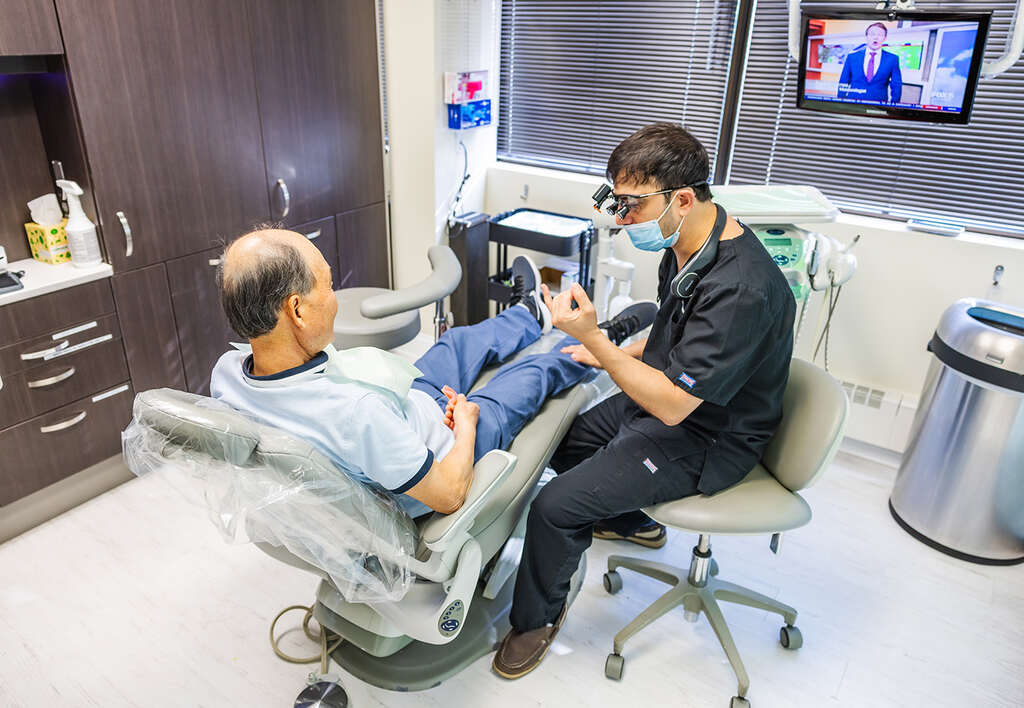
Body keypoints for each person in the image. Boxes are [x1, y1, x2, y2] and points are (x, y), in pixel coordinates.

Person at [492, 123, 796, 679]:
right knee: (569, 441)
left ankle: (535, 622)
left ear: (682, 198)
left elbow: (677, 407)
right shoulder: (688, 243)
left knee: (554, 507)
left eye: (632, 205)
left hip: (708, 436)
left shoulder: (742, 289)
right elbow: (674, 334)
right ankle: (637, 523)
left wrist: (596, 341)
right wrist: (617, 350)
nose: (623, 218)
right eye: (617, 202)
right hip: (669, 396)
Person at [209, 227, 655, 519]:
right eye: (327, 285)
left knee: (456, 344)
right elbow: (448, 495)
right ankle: (599, 342)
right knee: (530, 375)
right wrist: (465, 427)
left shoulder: (228, 374)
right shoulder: (358, 416)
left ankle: (530, 313)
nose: (335, 297)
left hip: (405, 405)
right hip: (444, 446)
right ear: (297, 311)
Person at [838, 22, 902, 104]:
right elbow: (844, 82)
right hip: (853, 104)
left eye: (880, 35)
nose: (876, 37)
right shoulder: (852, 57)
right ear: (866, 37)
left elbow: (896, 85)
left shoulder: (892, 59)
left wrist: (894, 106)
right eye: (872, 34)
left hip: (878, 106)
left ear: (885, 38)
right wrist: (840, 102)